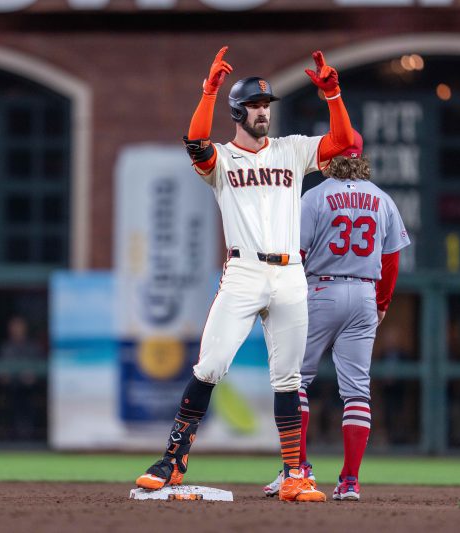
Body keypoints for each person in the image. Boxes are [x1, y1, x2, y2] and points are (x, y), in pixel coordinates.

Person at [134, 47, 354, 503]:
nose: (263, 112)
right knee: (210, 366)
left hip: (290, 273)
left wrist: (333, 96)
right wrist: (208, 92)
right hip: (244, 270)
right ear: (237, 111)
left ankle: (294, 474)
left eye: (266, 105)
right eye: (254, 105)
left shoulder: (291, 149)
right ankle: (173, 460)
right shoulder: (222, 160)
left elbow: (343, 143)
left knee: (288, 380)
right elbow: (195, 142)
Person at [263, 129, 410, 501]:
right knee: (357, 391)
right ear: (362, 158)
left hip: (321, 290)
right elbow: (391, 261)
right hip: (363, 294)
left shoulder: (315, 196)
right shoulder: (383, 199)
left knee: (295, 382)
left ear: (330, 157)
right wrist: (381, 302)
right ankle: (350, 482)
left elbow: (295, 254)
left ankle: (297, 470)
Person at [0, 316, 44, 439]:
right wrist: (4, 376)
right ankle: (13, 435)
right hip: (11, 388)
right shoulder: (6, 347)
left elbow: (39, 368)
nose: (15, 330)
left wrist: (32, 376)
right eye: (13, 327)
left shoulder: (32, 347)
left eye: (18, 327)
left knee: (26, 399)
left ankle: (27, 434)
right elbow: (2, 370)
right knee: (12, 399)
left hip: (30, 389)